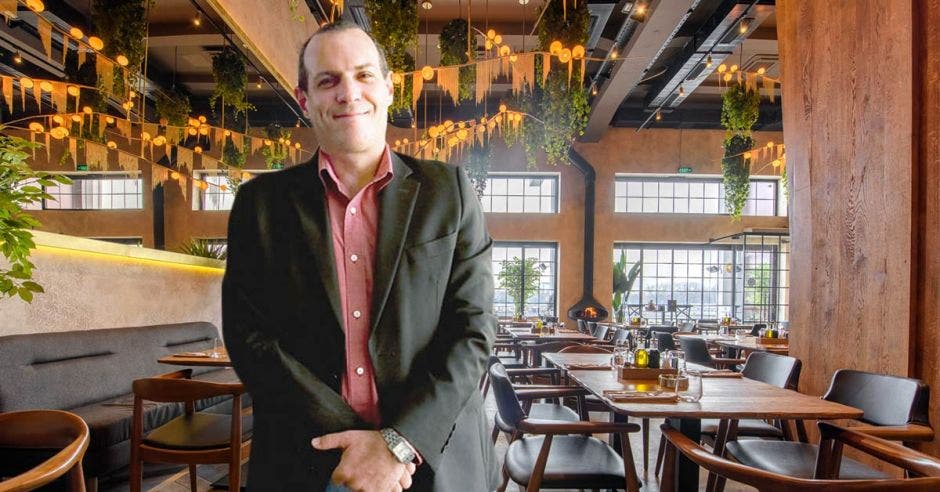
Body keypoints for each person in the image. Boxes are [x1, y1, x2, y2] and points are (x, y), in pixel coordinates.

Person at [222, 20, 498, 492]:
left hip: (433, 458)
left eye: (364, 75)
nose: (349, 93)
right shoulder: (259, 205)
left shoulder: (448, 192)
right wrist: (360, 445)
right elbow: (251, 340)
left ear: (389, 89)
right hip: (311, 459)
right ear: (305, 99)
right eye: (328, 80)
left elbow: (472, 331)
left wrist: (397, 442)